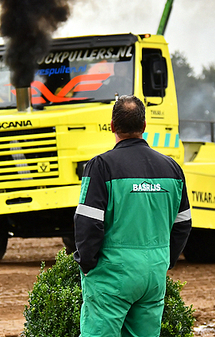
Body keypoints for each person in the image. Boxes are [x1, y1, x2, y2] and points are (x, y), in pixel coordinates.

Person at [74, 95, 192, 337]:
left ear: (112, 126)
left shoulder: (101, 166)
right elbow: (183, 223)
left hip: (113, 274)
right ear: (144, 127)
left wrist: (87, 264)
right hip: (154, 274)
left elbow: (88, 223)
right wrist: (164, 260)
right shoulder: (172, 168)